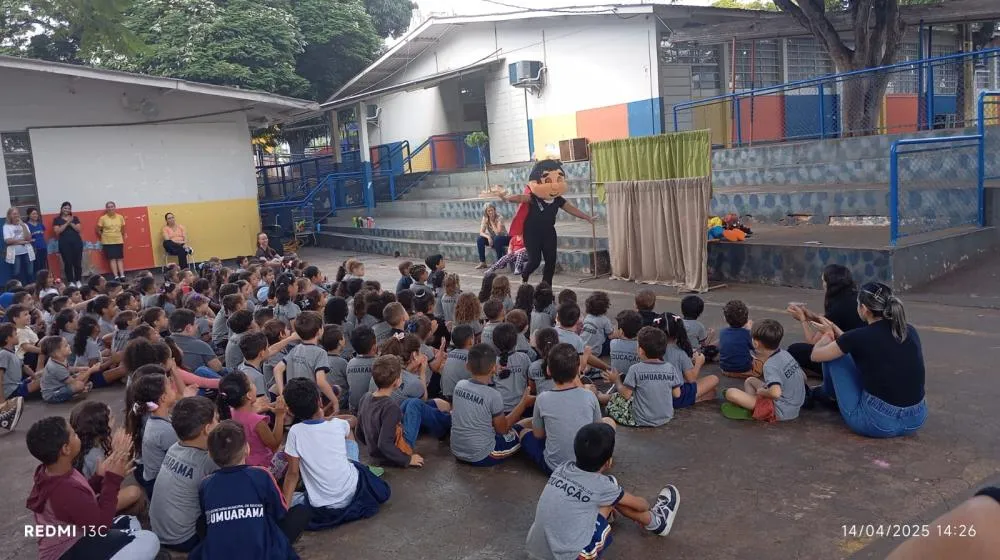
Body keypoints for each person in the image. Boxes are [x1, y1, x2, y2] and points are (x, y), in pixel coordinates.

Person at [525, 423, 680, 560]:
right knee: (612, 498)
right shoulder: (602, 486)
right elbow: (641, 505)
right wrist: (644, 503)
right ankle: (657, 521)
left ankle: (613, 509)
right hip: (575, 556)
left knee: (606, 495)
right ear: (608, 462)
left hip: (534, 552)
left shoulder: (562, 468)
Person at [25, 416, 161, 560]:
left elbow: (79, 500)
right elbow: (101, 526)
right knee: (149, 540)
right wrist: (113, 480)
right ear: (65, 449)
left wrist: (98, 478)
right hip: (67, 551)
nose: (77, 436)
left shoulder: (52, 471)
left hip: (79, 535)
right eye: (74, 434)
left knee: (130, 522)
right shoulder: (62, 489)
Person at [810, 282, 927, 438]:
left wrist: (827, 336)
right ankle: (828, 394)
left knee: (835, 357)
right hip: (916, 418)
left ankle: (829, 395)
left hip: (878, 422)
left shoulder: (860, 336)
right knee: (843, 351)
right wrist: (834, 328)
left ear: (864, 309)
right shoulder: (908, 330)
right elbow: (852, 341)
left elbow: (815, 355)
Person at [281, 378, 391, 530]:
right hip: (353, 493)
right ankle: (353, 464)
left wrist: (284, 510)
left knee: (283, 498)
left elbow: (293, 474)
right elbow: (353, 420)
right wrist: (327, 419)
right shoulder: (337, 425)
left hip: (323, 508)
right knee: (348, 434)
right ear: (319, 401)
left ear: (291, 411)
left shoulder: (295, 432)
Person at [191, 420, 309, 560]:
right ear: (247, 449)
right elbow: (280, 511)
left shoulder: (206, 484)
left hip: (220, 553)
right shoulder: (261, 475)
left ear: (210, 454)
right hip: (264, 552)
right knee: (301, 512)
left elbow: (206, 520)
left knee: (201, 524)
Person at [497, 160, 596, 285]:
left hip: (549, 232)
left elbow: (571, 208)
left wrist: (586, 217)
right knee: (535, 261)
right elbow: (520, 197)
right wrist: (506, 198)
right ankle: (525, 277)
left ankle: (546, 286)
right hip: (532, 233)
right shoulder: (534, 198)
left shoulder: (557, 199)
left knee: (551, 261)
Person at [520, 343, 612, 475]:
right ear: (578, 370)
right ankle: (605, 460)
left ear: (548, 370)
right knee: (609, 422)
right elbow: (598, 429)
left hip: (554, 468)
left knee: (524, 433)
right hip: (588, 465)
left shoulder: (542, 398)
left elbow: (538, 435)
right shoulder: (589, 396)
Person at [149, 396, 219, 552]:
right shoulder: (208, 461)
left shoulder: (174, 447)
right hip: (184, 538)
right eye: (217, 420)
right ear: (207, 429)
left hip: (158, 531)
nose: (219, 424)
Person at [449, 343, 532, 466]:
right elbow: (502, 430)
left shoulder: (459, 385)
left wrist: (493, 371)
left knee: (521, 424)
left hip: (457, 450)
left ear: (467, 366)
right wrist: (523, 403)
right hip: (484, 454)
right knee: (523, 433)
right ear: (494, 368)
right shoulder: (493, 395)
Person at [785, 264, 866, 374]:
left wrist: (803, 319)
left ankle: (826, 374)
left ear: (830, 284)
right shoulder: (854, 297)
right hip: (861, 351)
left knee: (795, 350)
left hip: (850, 358)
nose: (822, 284)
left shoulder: (838, 307)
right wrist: (812, 317)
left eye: (823, 281)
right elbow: (833, 323)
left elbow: (813, 343)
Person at [724, 319, 806, 423]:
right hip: (794, 406)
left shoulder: (769, 365)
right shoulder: (785, 353)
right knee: (750, 380)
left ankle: (755, 409)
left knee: (731, 393)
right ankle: (754, 405)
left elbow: (775, 393)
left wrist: (762, 392)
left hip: (780, 411)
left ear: (755, 343)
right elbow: (803, 377)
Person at [69, 401, 143, 512]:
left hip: (86, 494)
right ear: (100, 427)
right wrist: (119, 455)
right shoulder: (95, 456)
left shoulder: (83, 446)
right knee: (135, 492)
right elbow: (106, 487)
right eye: (111, 418)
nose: (115, 419)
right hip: (89, 503)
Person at [356, 355, 425, 468]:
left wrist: (373, 446)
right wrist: (407, 459)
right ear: (397, 382)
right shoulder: (391, 408)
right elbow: (384, 444)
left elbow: (359, 432)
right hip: (394, 455)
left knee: (408, 403)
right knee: (415, 404)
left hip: (374, 453)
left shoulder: (365, 397)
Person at [216, 372, 285, 469]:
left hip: (241, 464)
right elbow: (274, 445)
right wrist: (280, 416)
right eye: (252, 383)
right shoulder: (258, 422)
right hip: (262, 467)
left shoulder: (228, 413)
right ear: (249, 395)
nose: (254, 385)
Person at [126, 370, 179, 498]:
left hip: (154, 480)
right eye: (170, 387)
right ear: (163, 398)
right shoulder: (164, 430)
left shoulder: (156, 417)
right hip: (160, 487)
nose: (174, 389)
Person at [40, 335, 96, 403]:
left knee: (82, 374)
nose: (69, 346)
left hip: (61, 385)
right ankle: (75, 394)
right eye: (66, 346)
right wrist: (90, 370)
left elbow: (68, 368)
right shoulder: (55, 367)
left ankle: (80, 390)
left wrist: (80, 369)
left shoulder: (59, 359)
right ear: (57, 353)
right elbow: (73, 381)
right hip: (53, 394)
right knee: (79, 385)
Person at [719, 300, 758, 378]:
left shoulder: (722, 332)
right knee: (760, 356)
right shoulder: (747, 333)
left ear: (725, 318)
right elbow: (756, 349)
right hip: (744, 368)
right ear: (747, 319)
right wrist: (751, 330)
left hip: (724, 367)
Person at [52, 202, 84, 287]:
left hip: (76, 243)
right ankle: (70, 281)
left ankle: (78, 280)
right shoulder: (57, 219)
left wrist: (71, 222)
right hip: (64, 244)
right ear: (61, 209)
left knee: (77, 263)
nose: (67, 210)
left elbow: (78, 229)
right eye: (65, 208)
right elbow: (57, 231)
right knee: (67, 263)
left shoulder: (75, 218)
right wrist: (67, 223)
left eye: (68, 208)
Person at [440, 324, 475, 400]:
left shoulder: (450, 354)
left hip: (445, 394)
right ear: (470, 340)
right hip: (459, 397)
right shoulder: (472, 357)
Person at [4, 207, 36, 284]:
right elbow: (8, 240)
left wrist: (23, 226)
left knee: (30, 272)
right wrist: (21, 241)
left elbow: (28, 238)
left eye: (17, 213)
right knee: (17, 272)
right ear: (9, 215)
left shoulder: (24, 225)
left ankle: (31, 288)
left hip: (27, 251)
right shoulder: (6, 226)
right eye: (14, 214)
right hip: (15, 253)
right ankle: (18, 288)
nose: (16, 215)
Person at [680, 295, 718, 361]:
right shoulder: (699, 326)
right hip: (694, 355)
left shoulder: (678, 323)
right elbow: (704, 345)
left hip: (681, 353)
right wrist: (711, 335)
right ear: (700, 313)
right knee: (713, 349)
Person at [96, 201, 126, 282]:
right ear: (106, 208)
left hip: (118, 240)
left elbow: (123, 229)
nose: (110, 208)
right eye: (108, 207)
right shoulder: (103, 218)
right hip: (107, 241)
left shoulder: (120, 217)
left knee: (119, 258)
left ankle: (122, 275)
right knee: (112, 259)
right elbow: (98, 230)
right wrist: (104, 236)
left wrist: (119, 235)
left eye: (112, 206)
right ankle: (116, 276)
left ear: (115, 207)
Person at [475, 203, 510, 269]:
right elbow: (481, 232)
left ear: (494, 210)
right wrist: (488, 237)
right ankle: (482, 262)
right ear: (486, 212)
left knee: (497, 239)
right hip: (494, 239)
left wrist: (491, 222)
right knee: (480, 239)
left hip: (504, 238)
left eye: (492, 210)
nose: (491, 212)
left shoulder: (499, 217)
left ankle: (500, 262)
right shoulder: (485, 218)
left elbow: (498, 233)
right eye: (488, 211)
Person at [25, 207, 48, 275]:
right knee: (37, 267)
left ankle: (44, 280)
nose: (35, 215)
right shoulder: (26, 226)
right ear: (28, 215)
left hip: (43, 248)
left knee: (44, 266)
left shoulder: (40, 224)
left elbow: (43, 235)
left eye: (36, 214)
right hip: (34, 249)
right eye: (33, 214)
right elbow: (26, 237)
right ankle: (38, 281)